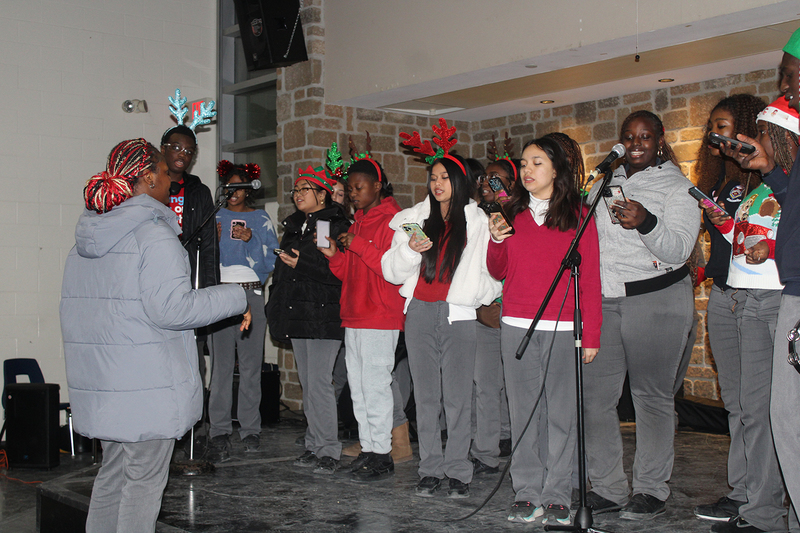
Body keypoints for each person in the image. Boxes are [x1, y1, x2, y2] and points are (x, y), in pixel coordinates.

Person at [60, 139, 250, 533]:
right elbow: (173, 310)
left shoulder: (84, 244)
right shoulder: (154, 236)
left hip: (108, 386)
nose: (170, 180)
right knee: (143, 484)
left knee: (112, 477)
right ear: (147, 178)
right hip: (146, 386)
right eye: (164, 172)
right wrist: (235, 296)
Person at [582, 110, 700, 520]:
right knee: (595, 399)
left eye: (645, 136)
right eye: (629, 136)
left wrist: (646, 221)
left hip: (658, 300)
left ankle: (651, 489)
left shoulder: (678, 188)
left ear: (660, 140)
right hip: (606, 301)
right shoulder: (601, 184)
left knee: (650, 397)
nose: (635, 144)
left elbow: (681, 249)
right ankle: (609, 487)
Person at [384, 122, 502, 498]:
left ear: (459, 180)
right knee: (426, 397)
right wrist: (408, 250)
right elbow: (391, 270)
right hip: (419, 313)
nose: (437, 184)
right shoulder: (415, 219)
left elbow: (494, 274)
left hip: (459, 318)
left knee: (457, 398)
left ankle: (458, 471)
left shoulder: (480, 221)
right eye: (433, 177)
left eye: (445, 177)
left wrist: (471, 296)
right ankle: (430, 468)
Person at [488, 137, 602, 525]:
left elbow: (590, 278)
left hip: (563, 327)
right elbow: (498, 269)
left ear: (557, 169)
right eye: (524, 164)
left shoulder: (578, 215)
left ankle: (557, 493)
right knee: (523, 415)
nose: (528, 170)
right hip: (516, 325)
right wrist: (495, 239)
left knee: (561, 416)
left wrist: (593, 334)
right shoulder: (512, 211)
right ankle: (526, 491)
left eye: (537, 163)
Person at [718, 32, 800, 528]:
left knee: (785, 417)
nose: (786, 87)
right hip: (782, 290)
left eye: (790, 76)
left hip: (783, 294)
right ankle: (767, 508)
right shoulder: (775, 180)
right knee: (773, 415)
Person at [702, 97, 794, 533]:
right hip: (743, 295)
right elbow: (746, 234)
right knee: (752, 409)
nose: (753, 143)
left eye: (762, 135)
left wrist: (768, 249)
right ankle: (758, 505)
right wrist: (723, 221)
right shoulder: (760, 185)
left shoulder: (782, 184)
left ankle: (765, 510)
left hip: (772, 298)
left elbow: (784, 232)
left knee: (767, 411)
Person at [690, 94, 774, 527]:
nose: (715, 136)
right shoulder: (718, 179)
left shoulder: (763, 180)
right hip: (724, 291)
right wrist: (702, 267)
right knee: (738, 402)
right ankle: (742, 490)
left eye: (724, 127)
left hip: (756, 295)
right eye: (713, 127)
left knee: (756, 404)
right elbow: (726, 244)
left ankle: (760, 496)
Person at [320, 157, 405, 482]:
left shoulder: (393, 221)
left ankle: (383, 455)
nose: (353, 193)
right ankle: (369, 449)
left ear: (377, 186)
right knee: (358, 388)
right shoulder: (358, 221)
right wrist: (335, 257)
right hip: (354, 315)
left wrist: (358, 245)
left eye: (359, 187)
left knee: (376, 386)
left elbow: (390, 268)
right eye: (350, 188)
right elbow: (349, 272)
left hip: (380, 315)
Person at [266, 166, 351, 474]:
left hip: (323, 316)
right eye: (296, 190)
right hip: (298, 314)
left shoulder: (329, 224)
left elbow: (335, 272)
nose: (298, 194)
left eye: (305, 189)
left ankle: (329, 448)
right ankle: (315, 443)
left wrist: (301, 264)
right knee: (308, 382)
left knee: (318, 383)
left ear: (322, 193)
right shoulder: (296, 226)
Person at [206, 161, 279, 462]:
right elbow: (203, 259)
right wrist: (212, 239)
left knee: (250, 368)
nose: (233, 192)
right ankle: (218, 430)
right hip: (220, 296)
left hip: (250, 294)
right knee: (221, 368)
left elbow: (270, 261)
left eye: (239, 187)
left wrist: (250, 243)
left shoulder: (260, 219)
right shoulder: (213, 217)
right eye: (229, 187)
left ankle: (250, 429)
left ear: (248, 190)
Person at [471, 147, 518, 477]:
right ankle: (486, 451)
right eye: (485, 178)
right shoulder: (473, 215)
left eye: (496, 179)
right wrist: (479, 308)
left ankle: (513, 438)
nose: (487, 183)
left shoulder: (519, 217)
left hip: (513, 311)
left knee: (515, 386)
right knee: (485, 385)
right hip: (483, 312)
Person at [161, 124, 219, 388]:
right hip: (154, 278)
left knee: (193, 358)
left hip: (188, 278)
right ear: (163, 149)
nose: (182, 154)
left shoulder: (199, 191)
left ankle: (198, 425)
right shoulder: (146, 186)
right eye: (176, 147)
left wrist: (209, 292)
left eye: (189, 150)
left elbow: (209, 246)